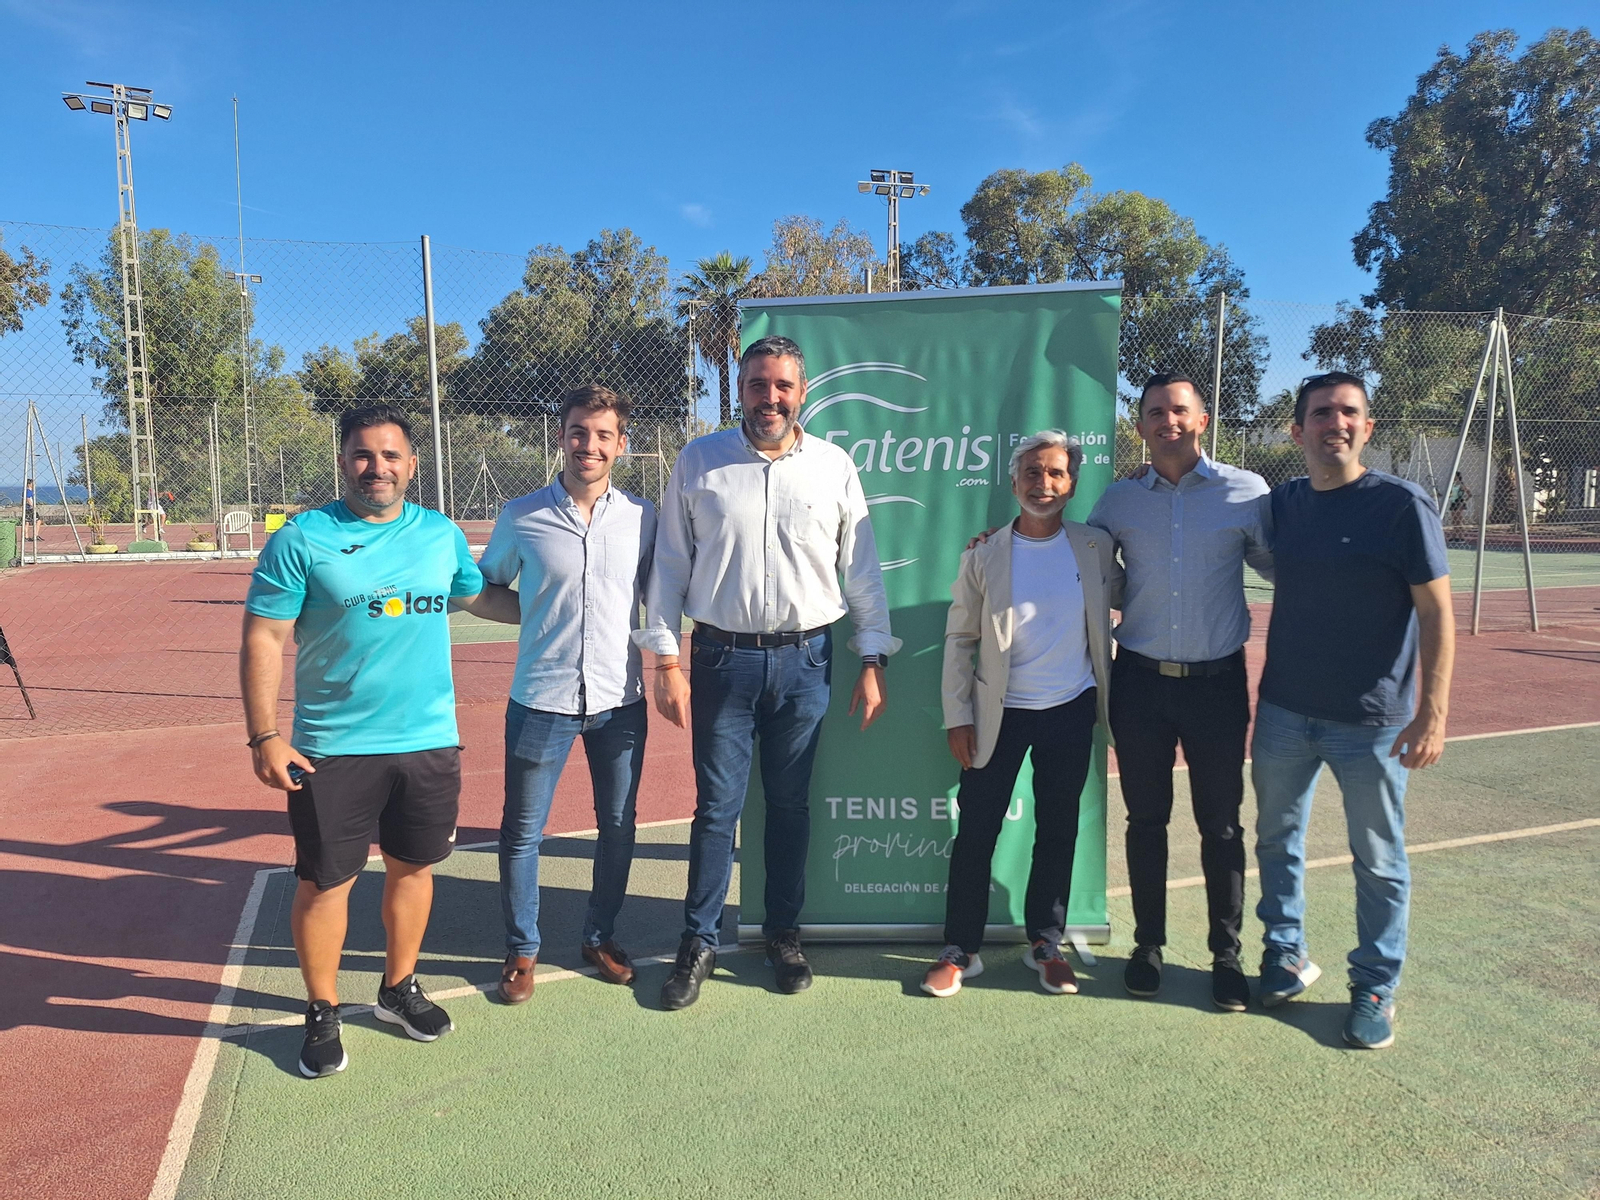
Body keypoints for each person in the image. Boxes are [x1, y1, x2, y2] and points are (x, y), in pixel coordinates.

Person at [240, 403, 518, 1079]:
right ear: (342, 462)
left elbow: (478, 598)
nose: (377, 468)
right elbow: (264, 637)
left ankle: (398, 989)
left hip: (427, 742)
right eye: (363, 455)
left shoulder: (439, 534)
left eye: (391, 456)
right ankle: (323, 1009)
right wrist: (264, 737)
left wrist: (573, 599)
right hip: (330, 747)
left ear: (412, 464)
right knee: (325, 883)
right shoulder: (302, 538)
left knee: (412, 869)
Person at [638, 334, 898, 1010]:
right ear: (742, 390)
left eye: (782, 385)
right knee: (716, 811)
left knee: (788, 808)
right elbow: (669, 566)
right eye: (757, 384)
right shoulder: (700, 460)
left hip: (808, 661)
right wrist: (664, 658)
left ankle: (785, 934)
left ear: (802, 392)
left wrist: (871, 658)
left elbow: (861, 573)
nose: (770, 398)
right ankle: (698, 941)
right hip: (721, 658)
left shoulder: (835, 466)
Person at [1252, 371, 1455, 1049]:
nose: (1333, 423)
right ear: (1297, 429)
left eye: (1348, 412)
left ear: (1368, 428)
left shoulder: (1403, 505)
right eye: (1320, 413)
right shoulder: (1283, 504)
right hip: (1283, 712)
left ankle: (1374, 985)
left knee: (1379, 859)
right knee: (1277, 841)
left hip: (1372, 723)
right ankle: (1284, 953)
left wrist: (1433, 713)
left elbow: (1436, 612)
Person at [1086, 371, 1272, 1011]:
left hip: (1217, 686)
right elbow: (1086, 572)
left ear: (1203, 421)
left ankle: (1227, 955)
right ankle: (1149, 946)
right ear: (1139, 425)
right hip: (1139, 683)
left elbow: (1285, 566)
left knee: (1221, 825)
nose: (1169, 420)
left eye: (1180, 410)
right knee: (1145, 821)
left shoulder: (1247, 492)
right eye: (1156, 411)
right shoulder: (1117, 501)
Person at [923, 431, 1120, 998]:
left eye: (1056, 473)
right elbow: (960, 638)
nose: (1044, 484)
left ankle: (1046, 942)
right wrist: (958, 716)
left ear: (1072, 483)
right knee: (976, 831)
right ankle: (961, 947)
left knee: (1057, 829)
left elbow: (1131, 592)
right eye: (1033, 473)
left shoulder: (1095, 547)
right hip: (997, 714)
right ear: (1014, 483)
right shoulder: (984, 553)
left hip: (1072, 709)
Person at [477, 385, 656, 1003]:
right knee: (522, 831)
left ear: (621, 445)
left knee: (618, 825)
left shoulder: (643, 518)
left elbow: (660, 597)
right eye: (580, 431)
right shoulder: (520, 515)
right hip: (539, 698)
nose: (590, 444)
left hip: (621, 701)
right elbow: (486, 588)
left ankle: (600, 935)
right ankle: (521, 950)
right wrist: (537, 615)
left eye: (604, 435)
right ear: (563, 436)